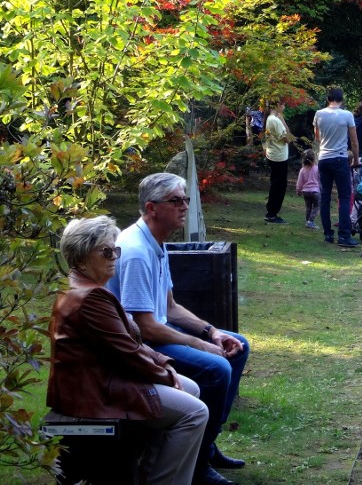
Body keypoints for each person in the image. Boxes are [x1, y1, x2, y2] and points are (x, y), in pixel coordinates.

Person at [108, 173, 250, 485]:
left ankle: (206, 443)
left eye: (185, 198)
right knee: (217, 368)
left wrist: (212, 332)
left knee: (237, 346)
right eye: (175, 200)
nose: (184, 206)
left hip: (154, 332)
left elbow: (170, 308)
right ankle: (197, 466)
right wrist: (203, 346)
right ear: (151, 207)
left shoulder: (156, 241)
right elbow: (144, 327)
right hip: (137, 347)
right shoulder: (135, 251)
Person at [50, 216, 208, 485]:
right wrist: (167, 375)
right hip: (96, 391)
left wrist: (162, 363)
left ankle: (150, 471)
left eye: (115, 250)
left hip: (100, 380)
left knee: (191, 388)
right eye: (106, 251)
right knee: (195, 412)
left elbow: (129, 343)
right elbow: (128, 353)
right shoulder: (91, 298)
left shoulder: (86, 290)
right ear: (83, 255)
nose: (114, 257)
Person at [314, 87, 360, 247]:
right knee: (345, 196)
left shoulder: (319, 114)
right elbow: (354, 141)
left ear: (328, 99)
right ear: (342, 100)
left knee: (325, 196)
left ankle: (328, 234)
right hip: (340, 158)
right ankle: (344, 236)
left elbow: (317, 136)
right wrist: (355, 159)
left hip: (324, 158)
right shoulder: (347, 115)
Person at [264, 101, 291, 224]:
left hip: (274, 154)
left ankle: (271, 212)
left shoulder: (271, 119)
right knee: (279, 186)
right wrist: (283, 121)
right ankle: (272, 213)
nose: (284, 106)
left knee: (276, 184)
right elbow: (288, 138)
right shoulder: (275, 120)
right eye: (283, 104)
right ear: (277, 105)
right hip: (279, 156)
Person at [296, 148, 321, 229]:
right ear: (314, 158)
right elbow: (320, 180)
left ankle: (308, 221)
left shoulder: (302, 170)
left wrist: (298, 190)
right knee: (316, 206)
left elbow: (300, 182)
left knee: (308, 207)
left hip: (306, 191)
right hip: (315, 191)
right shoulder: (317, 169)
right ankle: (310, 221)